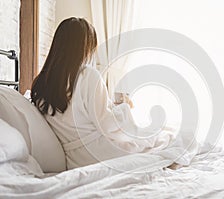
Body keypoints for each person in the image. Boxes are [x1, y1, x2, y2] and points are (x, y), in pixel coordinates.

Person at [31, 17, 174, 169]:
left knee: (160, 138)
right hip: (101, 153)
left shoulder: (41, 84)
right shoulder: (88, 76)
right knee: (168, 139)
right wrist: (124, 108)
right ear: (83, 48)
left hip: (74, 160)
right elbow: (107, 125)